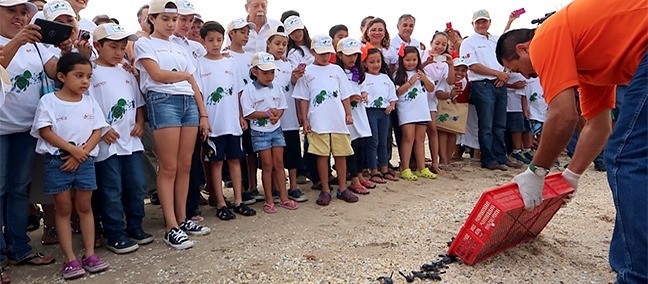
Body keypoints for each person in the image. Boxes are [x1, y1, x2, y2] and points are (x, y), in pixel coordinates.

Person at [495, 0, 647, 282]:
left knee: (628, 158)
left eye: (523, 70)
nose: (529, 77)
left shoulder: (544, 37)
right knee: (634, 157)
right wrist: (572, 175)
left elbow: (563, 116)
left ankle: (639, 274)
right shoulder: (589, 64)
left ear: (522, 48)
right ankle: (627, 257)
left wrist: (536, 171)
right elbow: (599, 127)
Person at [134, 0, 210, 250]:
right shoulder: (145, 43)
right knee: (168, 166)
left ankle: (183, 219)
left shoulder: (181, 47)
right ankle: (170, 226)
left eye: (174, 19)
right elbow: (156, 75)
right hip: (163, 100)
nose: (171, 23)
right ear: (152, 19)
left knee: (185, 165)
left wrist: (203, 114)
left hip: (188, 102)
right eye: (165, 19)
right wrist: (185, 76)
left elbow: (194, 83)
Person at [31, 52, 110, 280]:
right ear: (62, 76)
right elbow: (45, 130)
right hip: (58, 162)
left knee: (85, 206)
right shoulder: (49, 101)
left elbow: (98, 130)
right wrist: (72, 150)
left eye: (88, 76)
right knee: (63, 208)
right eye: (79, 75)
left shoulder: (90, 101)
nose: (85, 81)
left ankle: (90, 254)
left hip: (85, 161)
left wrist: (81, 153)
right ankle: (70, 258)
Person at [0, 0, 62, 276]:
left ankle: (19, 249)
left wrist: (72, 51)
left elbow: (53, 69)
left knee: (18, 189)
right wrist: (17, 41)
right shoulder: (19, 40)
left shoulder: (35, 43)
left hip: (26, 129)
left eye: (23, 12)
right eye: (10, 10)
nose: (19, 16)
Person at [88, 23, 153, 254]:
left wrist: (139, 122)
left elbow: (138, 103)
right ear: (97, 46)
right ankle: (115, 233)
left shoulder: (126, 71)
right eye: (113, 46)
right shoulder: (90, 72)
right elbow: (87, 104)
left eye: (122, 46)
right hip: (107, 144)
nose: (119, 51)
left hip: (131, 140)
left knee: (137, 185)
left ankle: (135, 226)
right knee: (111, 189)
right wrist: (103, 129)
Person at [196, 21, 256, 220]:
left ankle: (238, 200)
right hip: (214, 125)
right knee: (216, 163)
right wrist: (203, 119)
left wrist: (241, 115)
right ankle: (221, 202)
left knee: (235, 161)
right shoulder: (198, 63)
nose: (215, 44)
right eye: (211, 40)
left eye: (219, 40)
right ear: (203, 41)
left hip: (232, 123)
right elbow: (199, 94)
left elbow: (239, 91)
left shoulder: (230, 62)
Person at [293, 34, 358, 206]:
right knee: (322, 155)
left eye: (328, 53)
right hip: (318, 120)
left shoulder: (336, 70)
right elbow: (303, 98)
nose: (325, 56)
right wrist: (305, 119)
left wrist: (348, 113)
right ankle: (325, 189)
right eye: (321, 53)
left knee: (341, 153)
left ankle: (343, 188)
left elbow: (345, 94)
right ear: (313, 51)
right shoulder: (307, 71)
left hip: (337, 120)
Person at [460, 9, 520, 171]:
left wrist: (504, 75)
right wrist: (498, 74)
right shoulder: (468, 42)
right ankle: (488, 158)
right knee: (486, 124)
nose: (481, 24)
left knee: (500, 124)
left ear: (489, 22)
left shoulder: (495, 40)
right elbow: (472, 65)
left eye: (484, 21)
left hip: (499, 85)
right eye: (478, 22)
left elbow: (507, 57)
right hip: (482, 85)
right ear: (473, 24)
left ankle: (501, 156)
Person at [241, 51, 300, 213]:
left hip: (276, 130)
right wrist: (266, 114)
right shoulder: (249, 89)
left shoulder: (277, 88)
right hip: (259, 133)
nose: (269, 76)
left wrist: (276, 116)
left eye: (272, 72)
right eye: (265, 72)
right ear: (255, 71)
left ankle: (284, 198)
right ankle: (268, 200)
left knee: (279, 164)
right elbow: (248, 112)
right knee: (267, 165)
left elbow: (281, 106)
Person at [266, 25, 308, 202]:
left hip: (289, 116)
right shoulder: (264, 63)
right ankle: (276, 187)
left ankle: (294, 187)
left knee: (292, 153)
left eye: (284, 43)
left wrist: (295, 76)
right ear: (268, 44)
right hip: (273, 118)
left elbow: (292, 85)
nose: (281, 47)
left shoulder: (287, 63)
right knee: (276, 155)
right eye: (277, 43)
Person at [226, 18, 263, 202]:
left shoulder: (251, 58)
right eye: (242, 32)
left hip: (252, 110)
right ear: (231, 34)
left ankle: (253, 186)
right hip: (233, 111)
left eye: (248, 32)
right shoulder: (225, 56)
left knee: (251, 150)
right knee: (236, 152)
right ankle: (240, 188)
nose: (246, 36)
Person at [336, 38, 373, 195]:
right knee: (351, 147)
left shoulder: (358, 72)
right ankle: (353, 179)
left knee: (362, 144)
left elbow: (361, 87)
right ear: (339, 55)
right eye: (348, 55)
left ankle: (359, 175)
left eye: (355, 55)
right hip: (346, 116)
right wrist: (349, 98)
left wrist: (363, 93)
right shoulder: (337, 73)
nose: (352, 58)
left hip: (360, 113)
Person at [393, 46, 436, 181]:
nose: (411, 62)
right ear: (402, 60)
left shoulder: (422, 73)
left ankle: (421, 167)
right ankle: (405, 167)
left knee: (420, 138)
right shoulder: (398, 75)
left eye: (414, 59)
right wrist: (410, 82)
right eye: (407, 60)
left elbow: (431, 88)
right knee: (408, 137)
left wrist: (424, 79)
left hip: (422, 109)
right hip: (406, 110)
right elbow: (398, 92)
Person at [360, 47, 397, 183]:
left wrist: (392, 105)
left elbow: (392, 94)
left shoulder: (385, 77)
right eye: (371, 62)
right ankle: (373, 170)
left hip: (384, 112)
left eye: (378, 61)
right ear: (365, 63)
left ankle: (384, 167)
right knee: (373, 141)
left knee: (384, 140)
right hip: (370, 111)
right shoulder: (364, 77)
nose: (376, 65)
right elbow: (361, 91)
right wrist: (363, 94)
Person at [421, 31, 455, 173]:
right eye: (437, 43)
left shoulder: (445, 63)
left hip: (432, 98)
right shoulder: (422, 53)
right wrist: (427, 62)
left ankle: (435, 163)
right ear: (431, 43)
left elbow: (451, 81)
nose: (439, 47)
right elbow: (412, 69)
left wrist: (451, 64)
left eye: (443, 44)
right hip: (419, 96)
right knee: (420, 133)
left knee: (433, 129)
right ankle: (420, 162)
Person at [504, 72, 531, 164]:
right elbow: (501, 82)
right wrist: (512, 86)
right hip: (513, 106)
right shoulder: (508, 73)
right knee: (517, 129)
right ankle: (517, 150)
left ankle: (527, 150)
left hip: (527, 106)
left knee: (526, 129)